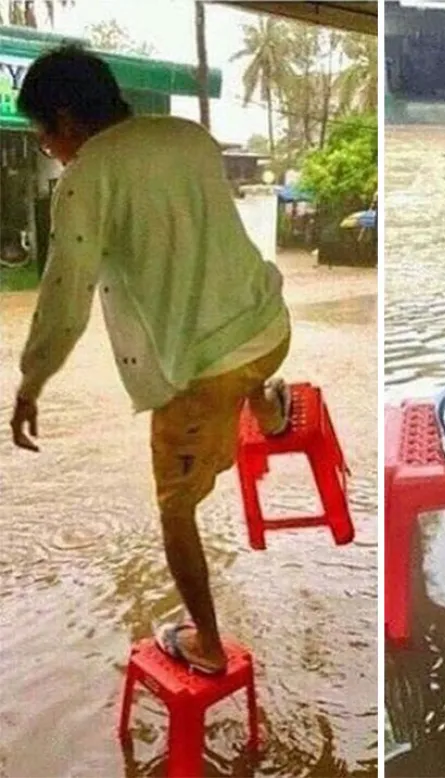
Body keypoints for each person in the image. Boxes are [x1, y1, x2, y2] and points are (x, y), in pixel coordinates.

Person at [9, 46, 292, 674]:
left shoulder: (87, 176)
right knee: (248, 362)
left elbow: (65, 300)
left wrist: (31, 383)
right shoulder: (188, 136)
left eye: (43, 134)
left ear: (64, 118)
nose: (49, 150)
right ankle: (272, 415)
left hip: (206, 371)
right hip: (271, 326)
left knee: (174, 510)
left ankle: (209, 647)